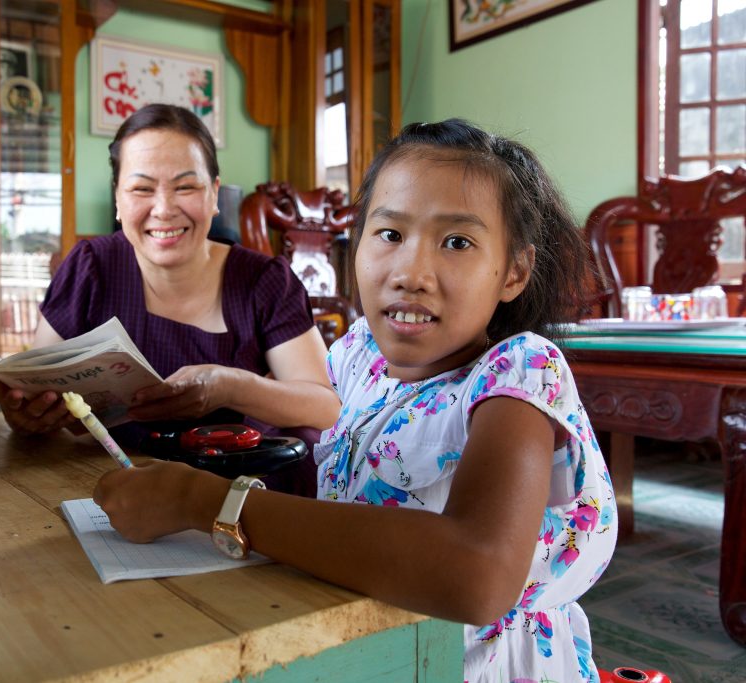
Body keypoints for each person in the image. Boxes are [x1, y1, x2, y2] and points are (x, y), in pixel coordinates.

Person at [92, 119, 618, 682]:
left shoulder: (517, 376)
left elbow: (478, 573)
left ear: (514, 271)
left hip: (474, 666)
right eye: (389, 234)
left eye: (457, 242)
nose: (411, 273)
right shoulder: (359, 352)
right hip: (365, 641)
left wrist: (208, 503)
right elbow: (338, 432)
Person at [0, 103, 339, 490]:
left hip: (239, 489)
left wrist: (229, 387)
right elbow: (38, 388)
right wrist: (28, 415)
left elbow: (325, 407)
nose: (163, 209)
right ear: (118, 199)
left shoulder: (263, 280)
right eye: (142, 189)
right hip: (106, 482)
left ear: (213, 194)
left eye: (186, 187)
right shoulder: (91, 267)